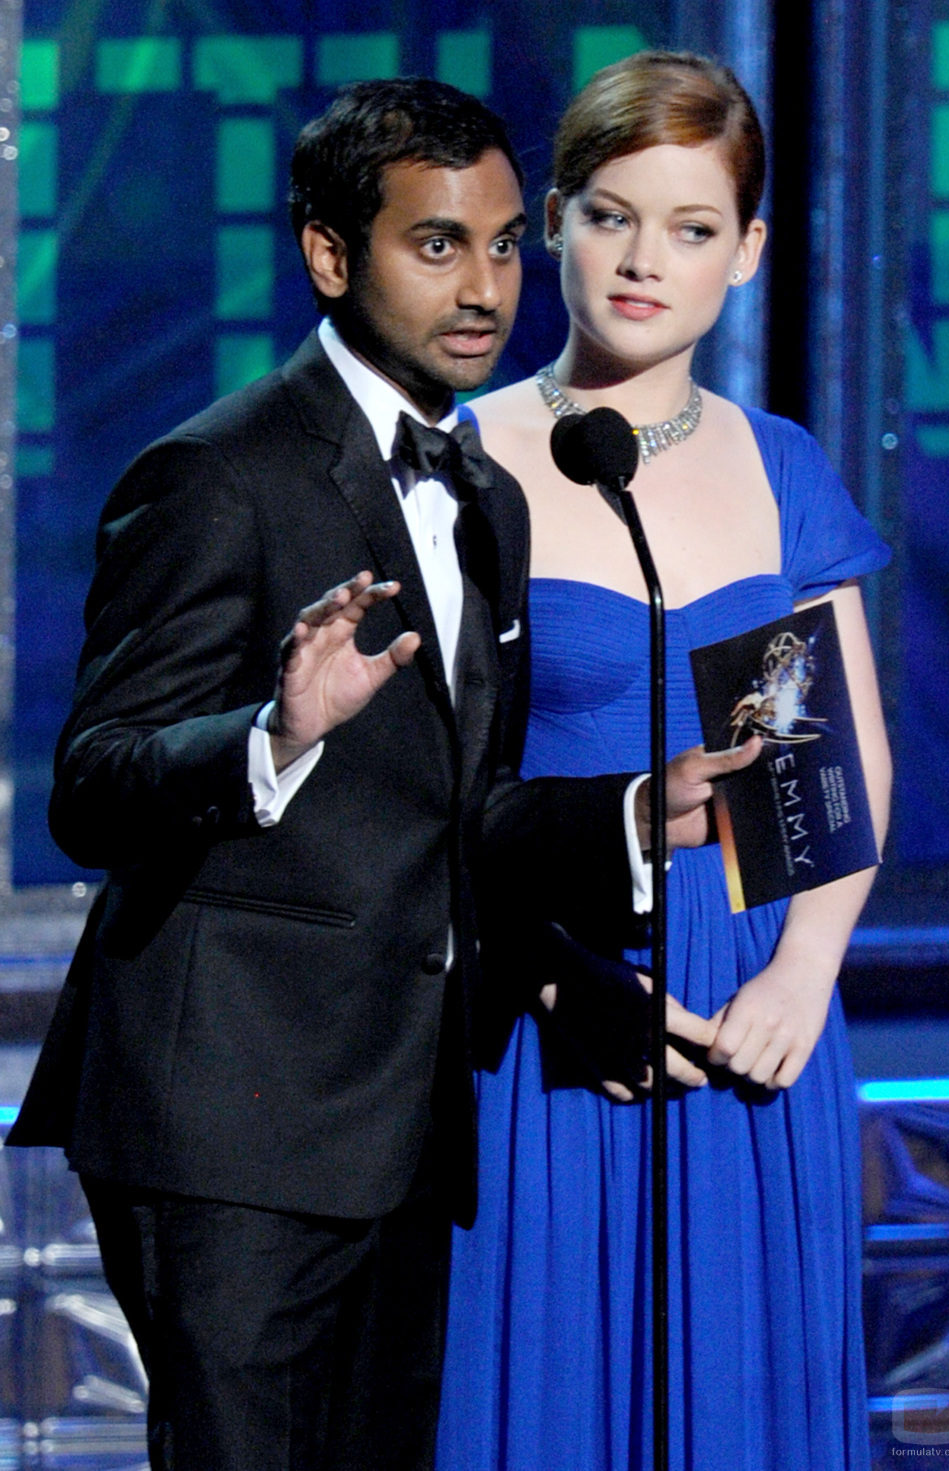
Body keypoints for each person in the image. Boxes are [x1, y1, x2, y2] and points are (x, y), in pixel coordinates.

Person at [7, 78, 732, 1471]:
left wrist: (640, 814)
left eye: (508, 243)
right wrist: (276, 734)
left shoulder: (494, 496)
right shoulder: (217, 474)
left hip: (398, 1121)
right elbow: (92, 787)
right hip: (229, 1121)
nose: (485, 288)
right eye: (437, 244)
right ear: (332, 254)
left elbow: (467, 815)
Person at [436, 50, 892, 1471]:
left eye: (693, 229)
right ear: (556, 222)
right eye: (612, 215)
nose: (646, 261)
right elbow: (414, 807)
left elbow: (820, 766)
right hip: (547, 1017)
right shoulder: (465, 461)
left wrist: (803, 973)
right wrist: (563, 977)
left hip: (752, 1019)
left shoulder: (776, 468)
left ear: (749, 254)